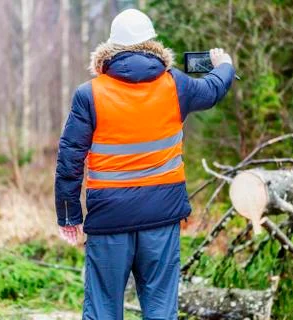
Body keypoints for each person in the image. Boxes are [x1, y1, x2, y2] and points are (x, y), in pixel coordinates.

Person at [54, 8, 235, 320]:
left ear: (110, 49)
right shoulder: (175, 85)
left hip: (109, 219)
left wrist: (69, 215)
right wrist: (225, 65)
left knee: (102, 309)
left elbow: (69, 159)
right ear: (153, 45)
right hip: (162, 218)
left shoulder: (90, 94)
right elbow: (213, 89)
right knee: (161, 310)